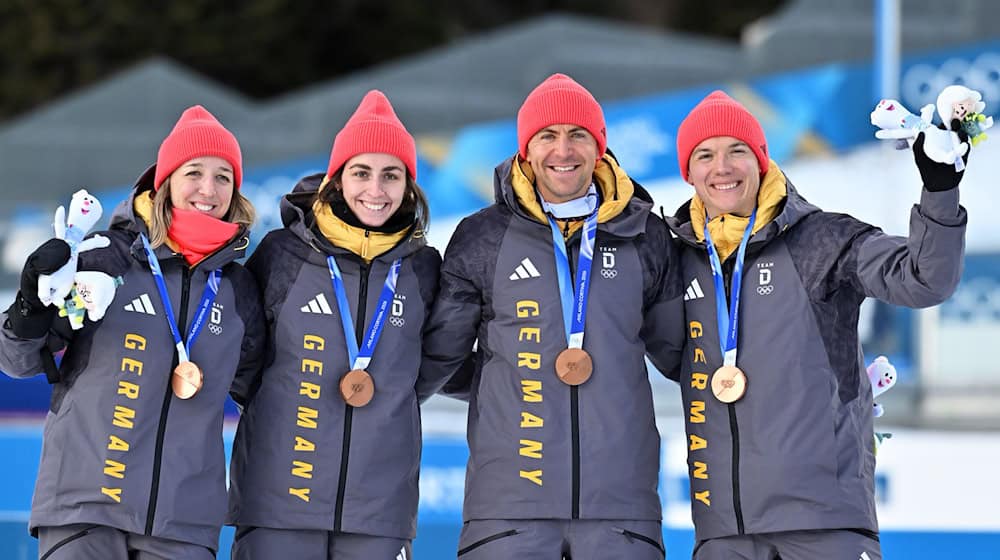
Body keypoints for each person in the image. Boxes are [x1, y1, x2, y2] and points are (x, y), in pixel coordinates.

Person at [664, 90, 968, 560]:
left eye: (736, 151)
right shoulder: (676, 259)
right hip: (724, 531)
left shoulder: (823, 240)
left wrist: (940, 191)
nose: (721, 167)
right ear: (688, 172)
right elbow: (660, 350)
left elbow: (924, 280)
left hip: (826, 525)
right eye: (705, 155)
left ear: (762, 160)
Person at [420, 73, 685, 559]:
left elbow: (684, 355)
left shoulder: (644, 234)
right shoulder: (482, 237)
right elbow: (439, 359)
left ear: (599, 147)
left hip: (620, 508)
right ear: (526, 149)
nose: (563, 150)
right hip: (508, 508)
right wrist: (507, 382)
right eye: (547, 136)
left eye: (578, 135)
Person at [0, 105, 264, 559]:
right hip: (85, 508)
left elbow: (264, 390)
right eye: (194, 172)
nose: (209, 188)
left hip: (182, 525)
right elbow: (19, 362)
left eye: (224, 177)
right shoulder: (105, 257)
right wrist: (30, 303)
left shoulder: (238, 290)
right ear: (164, 183)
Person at [227, 90, 440, 560]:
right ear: (337, 179)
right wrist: (279, 407)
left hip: (378, 512)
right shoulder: (281, 254)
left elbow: (431, 363)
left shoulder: (423, 267)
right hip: (278, 504)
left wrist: (388, 404)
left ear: (409, 186)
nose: (375, 189)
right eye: (361, 172)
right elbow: (244, 360)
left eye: (391, 175)